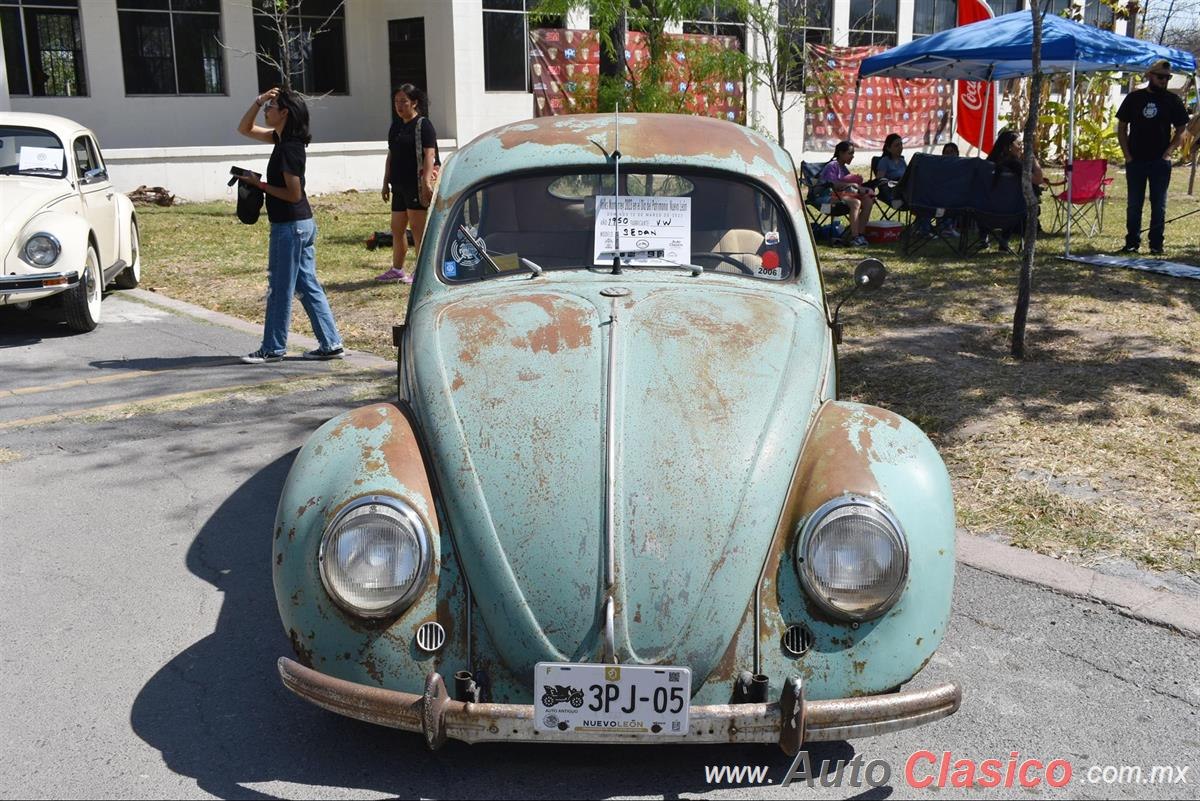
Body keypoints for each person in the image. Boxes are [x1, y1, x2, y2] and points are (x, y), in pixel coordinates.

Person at [235, 87, 344, 364]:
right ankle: (331, 344)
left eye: (271, 107)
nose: (266, 111)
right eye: (265, 107)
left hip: (291, 226)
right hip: (299, 225)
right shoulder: (281, 139)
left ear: (284, 113)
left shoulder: (289, 149)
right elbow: (244, 128)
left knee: (280, 287)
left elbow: (293, 194)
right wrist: (257, 99)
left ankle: (272, 348)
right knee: (306, 284)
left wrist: (257, 183)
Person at [1116, 60, 1189, 255]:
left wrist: (1169, 152)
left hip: (1160, 162)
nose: (1164, 81)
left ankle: (1156, 244)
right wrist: (1127, 155)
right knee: (1134, 205)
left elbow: (1182, 129)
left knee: (1159, 206)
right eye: (1160, 77)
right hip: (1136, 160)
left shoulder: (1172, 101)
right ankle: (1132, 242)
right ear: (1150, 76)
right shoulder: (1134, 98)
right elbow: (1122, 127)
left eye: (1167, 78)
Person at [376, 84, 440, 283]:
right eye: (396, 101)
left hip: (416, 184)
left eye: (403, 101)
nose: (399, 105)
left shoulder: (423, 125)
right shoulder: (396, 126)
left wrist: (426, 180)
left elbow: (430, 153)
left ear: (414, 102)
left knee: (418, 229)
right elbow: (391, 154)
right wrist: (386, 181)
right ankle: (397, 269)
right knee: (397, 227)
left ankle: (421, 272)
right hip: (399, 184)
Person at [985, 129, 1046, 251]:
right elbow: (1038, 179)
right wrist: (1033, 159)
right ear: (1008, 147)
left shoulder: (987, 164)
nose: (1021, 148)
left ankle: (983, 238)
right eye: (1019, 144)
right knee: (1015, 201)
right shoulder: (1014, 165)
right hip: (1012, 212)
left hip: (984, 212)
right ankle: (1004, 240)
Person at [819, 141, 875, 247]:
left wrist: (864, 189)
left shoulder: (843, 168)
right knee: (855, 203)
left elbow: (850, 186)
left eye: (853, 153)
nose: (852, 156)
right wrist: (852, 184)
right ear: (840, 153)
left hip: (841, 196)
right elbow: (832, 185)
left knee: (868, 200)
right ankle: (854, 238)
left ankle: (860, 234)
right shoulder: (832, 166)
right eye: (850, 153)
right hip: (827, 198)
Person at [869, 133, 907, 207]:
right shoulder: (884, 161)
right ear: (888, 148)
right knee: (919, 204)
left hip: (905, 194)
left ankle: (934, 214)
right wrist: (894, 183)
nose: (900, 148)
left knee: (925, 202)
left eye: (901, 144)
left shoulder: (902, 161)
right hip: (893, 198)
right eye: (897, 145)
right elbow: (880, 181)